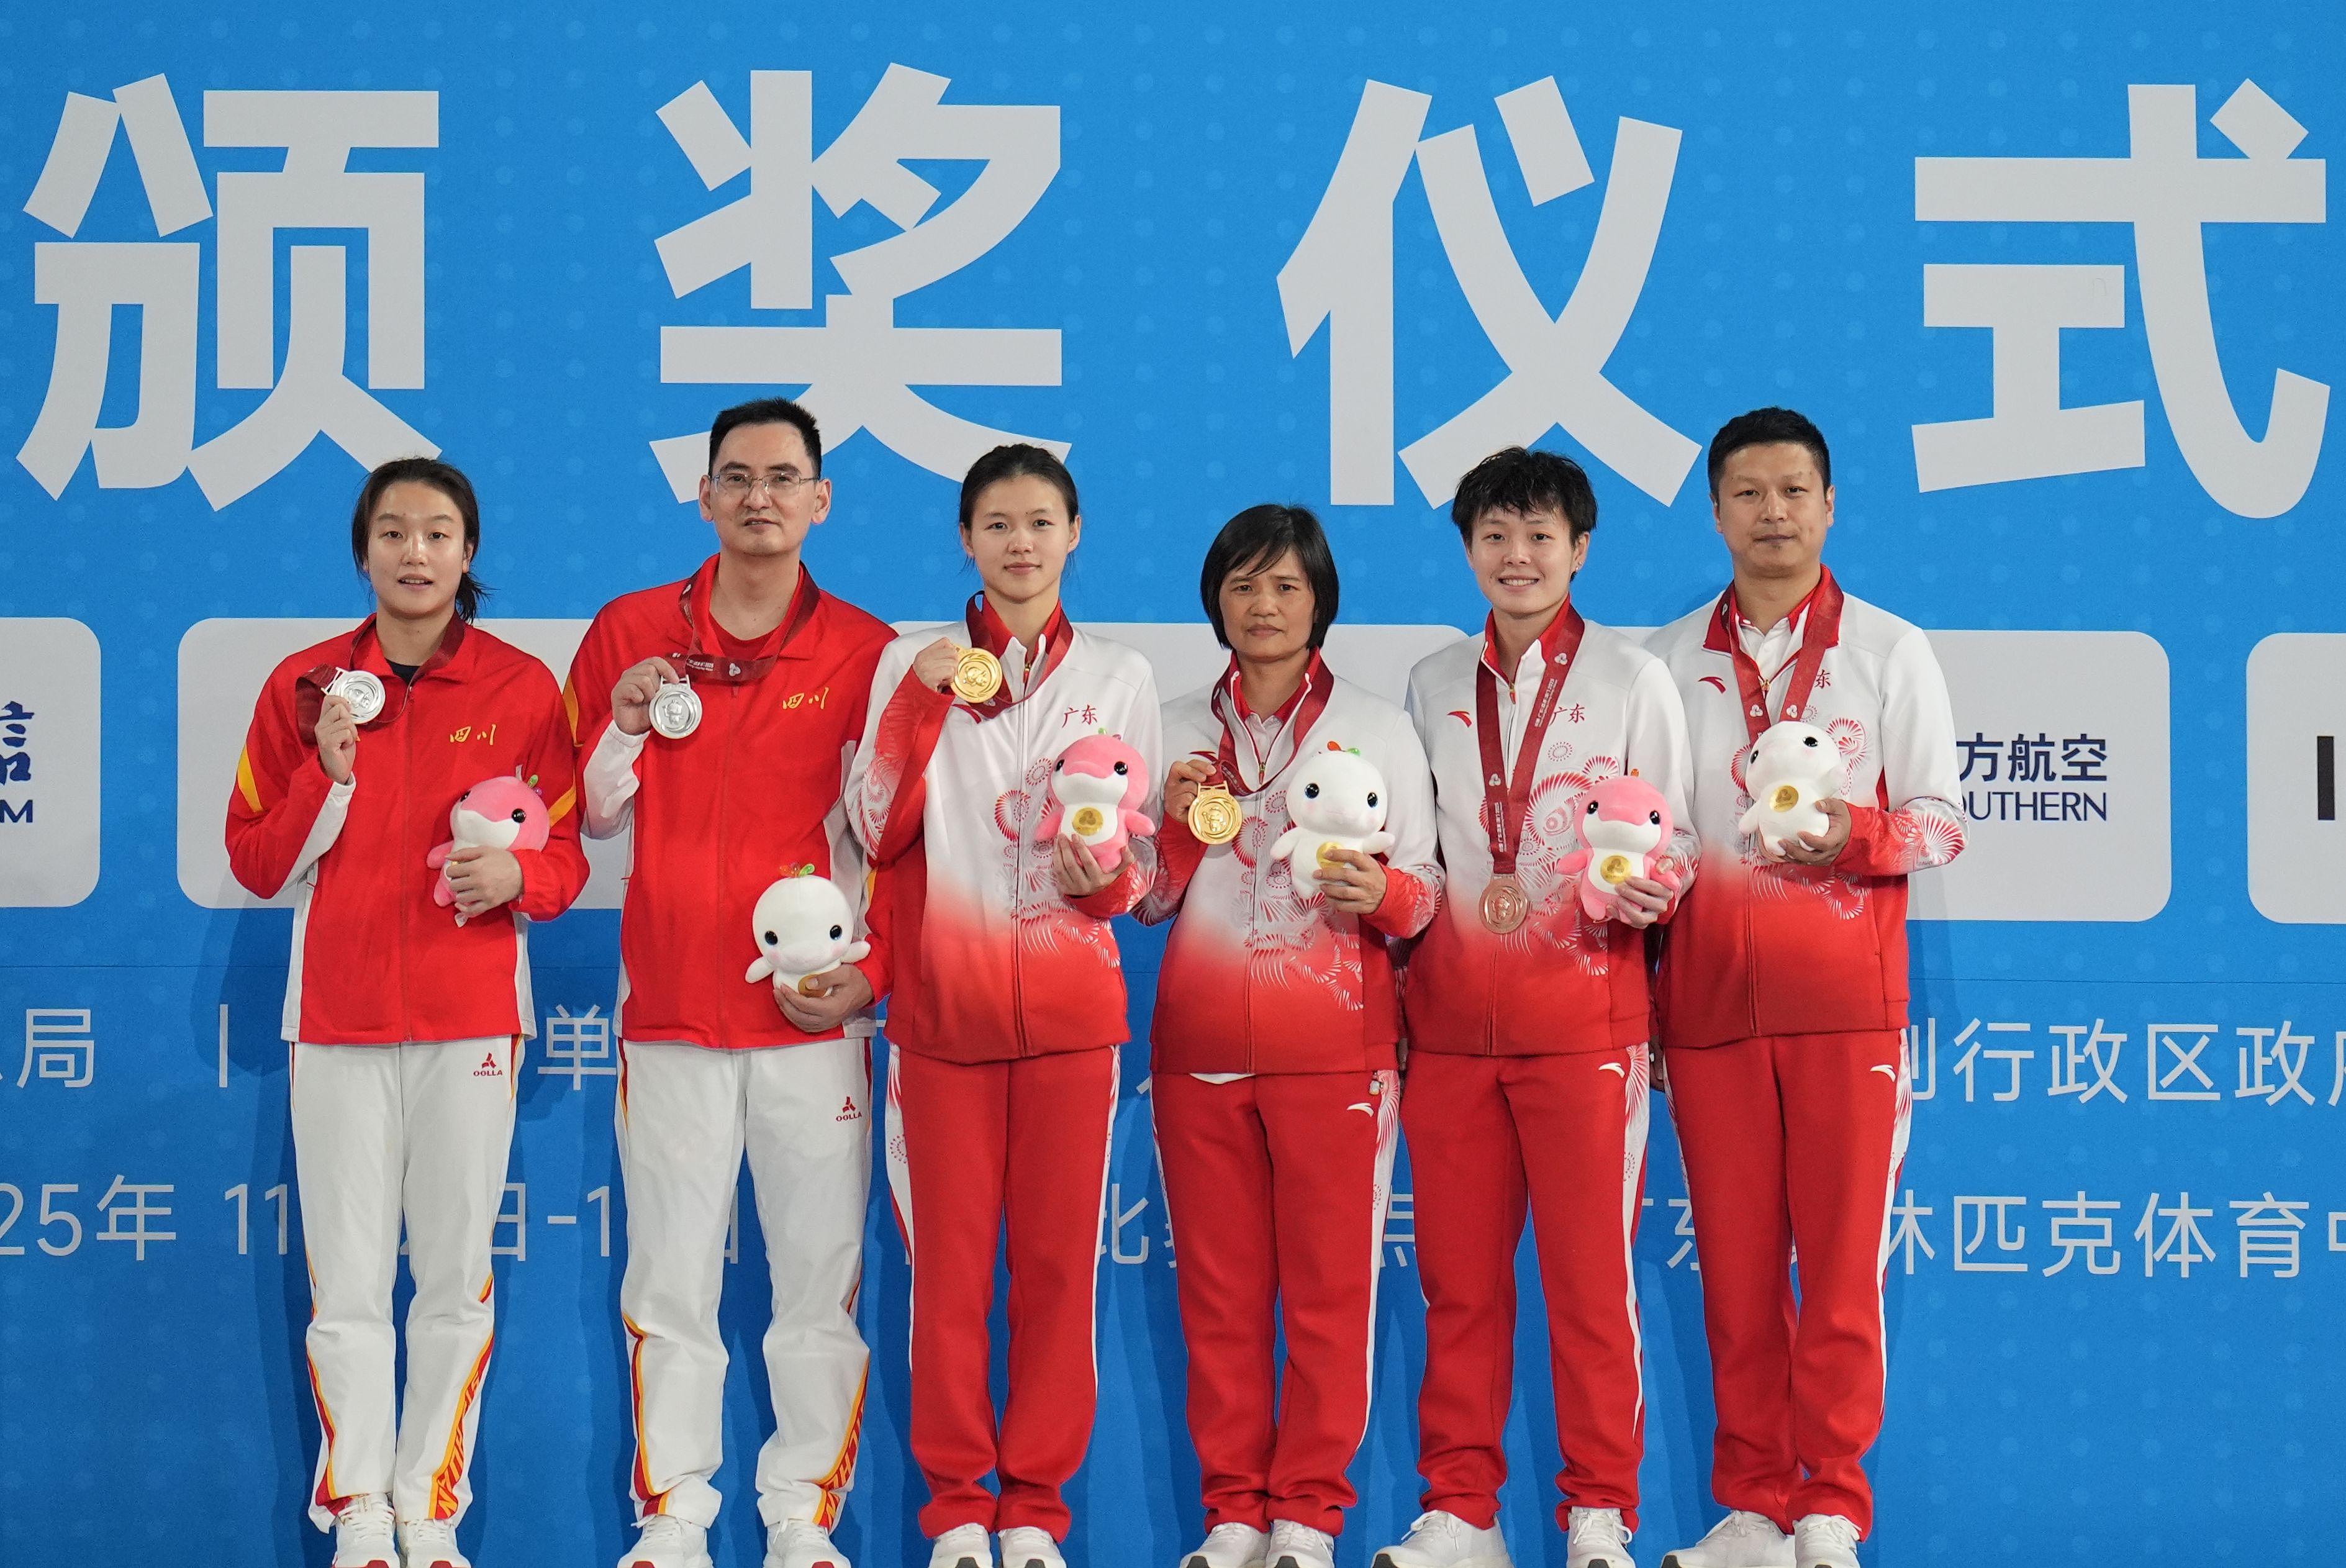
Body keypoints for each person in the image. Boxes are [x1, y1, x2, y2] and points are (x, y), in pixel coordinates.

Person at [225, 456, 589, 1568]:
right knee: (345, 1284)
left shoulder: (520, 686)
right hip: (335, 1021)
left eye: (437, 532)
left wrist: (518, 878)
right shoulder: (303, 687)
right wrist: (327, 774)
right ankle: (361, 1511)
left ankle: (430, 1507)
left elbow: (567, 855)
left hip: (471, 1018)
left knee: (450, 1278)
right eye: (392, 532)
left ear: (467, 551)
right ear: (363, 551)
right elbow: (254, 859)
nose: (415, 552)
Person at [566, 398, 894, 1568]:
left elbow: (894, 837)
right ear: (703, 495)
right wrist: (621, 724)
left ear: (820, 500)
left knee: (816, 1281)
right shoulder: (629, 629)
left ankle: (801, 1515)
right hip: (668, 1012)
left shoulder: (866, 652)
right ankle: (676, 1513)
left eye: (784, 477)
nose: (761, 496)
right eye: (737, 476)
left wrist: (869, 975)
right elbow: (590, 813)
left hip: (808, 1021)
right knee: (669, 1279)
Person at [1645, 408, 1962, 1568]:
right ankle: (1750, 1507)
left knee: (1836, 1273)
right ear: (1715, 512)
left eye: (1792, 491)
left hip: (1845, 1015)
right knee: (1734, 1276)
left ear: (1829, 505)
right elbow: (1654, 833)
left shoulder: (1888, 649)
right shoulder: (1665, 661)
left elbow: (1939, 822)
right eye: (1747, 493)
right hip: (1711, 1015)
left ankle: (1828, 1503)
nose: (1771, 512)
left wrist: (1852, 835)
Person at [1374, 446, 1696, 1568]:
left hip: (1585, 1030)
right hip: (1451, 1033)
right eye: (1495, 536)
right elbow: (1414, 856)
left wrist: (1650, 886)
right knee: (1457, 1287)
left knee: (1589, 1284)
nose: (1517, 557)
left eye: (1540, 536)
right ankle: (1463, 1511)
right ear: (1468, 548)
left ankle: (1597, 1510)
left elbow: (1676, 841)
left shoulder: (1631, 679)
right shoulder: (1429, 682)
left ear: (1580, 549)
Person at [846, 443, 1163, 1568]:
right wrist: (916, 705)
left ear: (1074, 532)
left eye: (1039, 522)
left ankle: (1031, 1509)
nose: (1019, 542)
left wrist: (1104, 880)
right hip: (943, 1022)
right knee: (945, 1279)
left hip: (1074, 1025)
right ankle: (956, 1514)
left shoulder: (1120, 674)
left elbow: (1143, 865)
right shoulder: (912, 661)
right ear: (965, 540)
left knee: (1057, 1275)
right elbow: (874, 825)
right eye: (996, 524)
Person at [1139, 505, 1440, 1568]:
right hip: (1199, 1053)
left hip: (1336, 1055)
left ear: (1320, 600)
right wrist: (1174, 829)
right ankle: (1232, 1512)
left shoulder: (1377, 725)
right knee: (1217, 1295)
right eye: (1241, 586)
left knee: (1328, 1295)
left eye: (1285, 586)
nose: (1262, 606)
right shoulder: (1170, 728)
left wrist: (1382, 892)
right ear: (1214, 601)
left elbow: (1424, 891)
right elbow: (1144, 897)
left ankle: (1307, 1516)